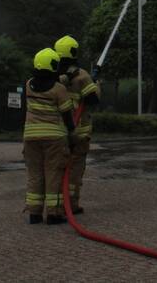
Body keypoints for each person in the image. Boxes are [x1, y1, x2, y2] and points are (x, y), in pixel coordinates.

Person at [23, 48, 75, 225]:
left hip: (30, 137)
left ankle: (34, 213)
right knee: (53, 173)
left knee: (35, 174)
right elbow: (67, 115)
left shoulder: (28, 84)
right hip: (54, 138)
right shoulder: (59, 90)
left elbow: (46, 82)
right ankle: (53, 213)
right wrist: (72, 133)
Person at [55, 35, 101, 215]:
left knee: (56, 170)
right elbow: (93, 100)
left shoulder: (53, 76)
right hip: (78, 132)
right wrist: (96, 84)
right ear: (74, 51)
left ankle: (54, 205)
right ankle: (71, 204)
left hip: (57, 131)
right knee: (74, 171)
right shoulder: (82, 76)